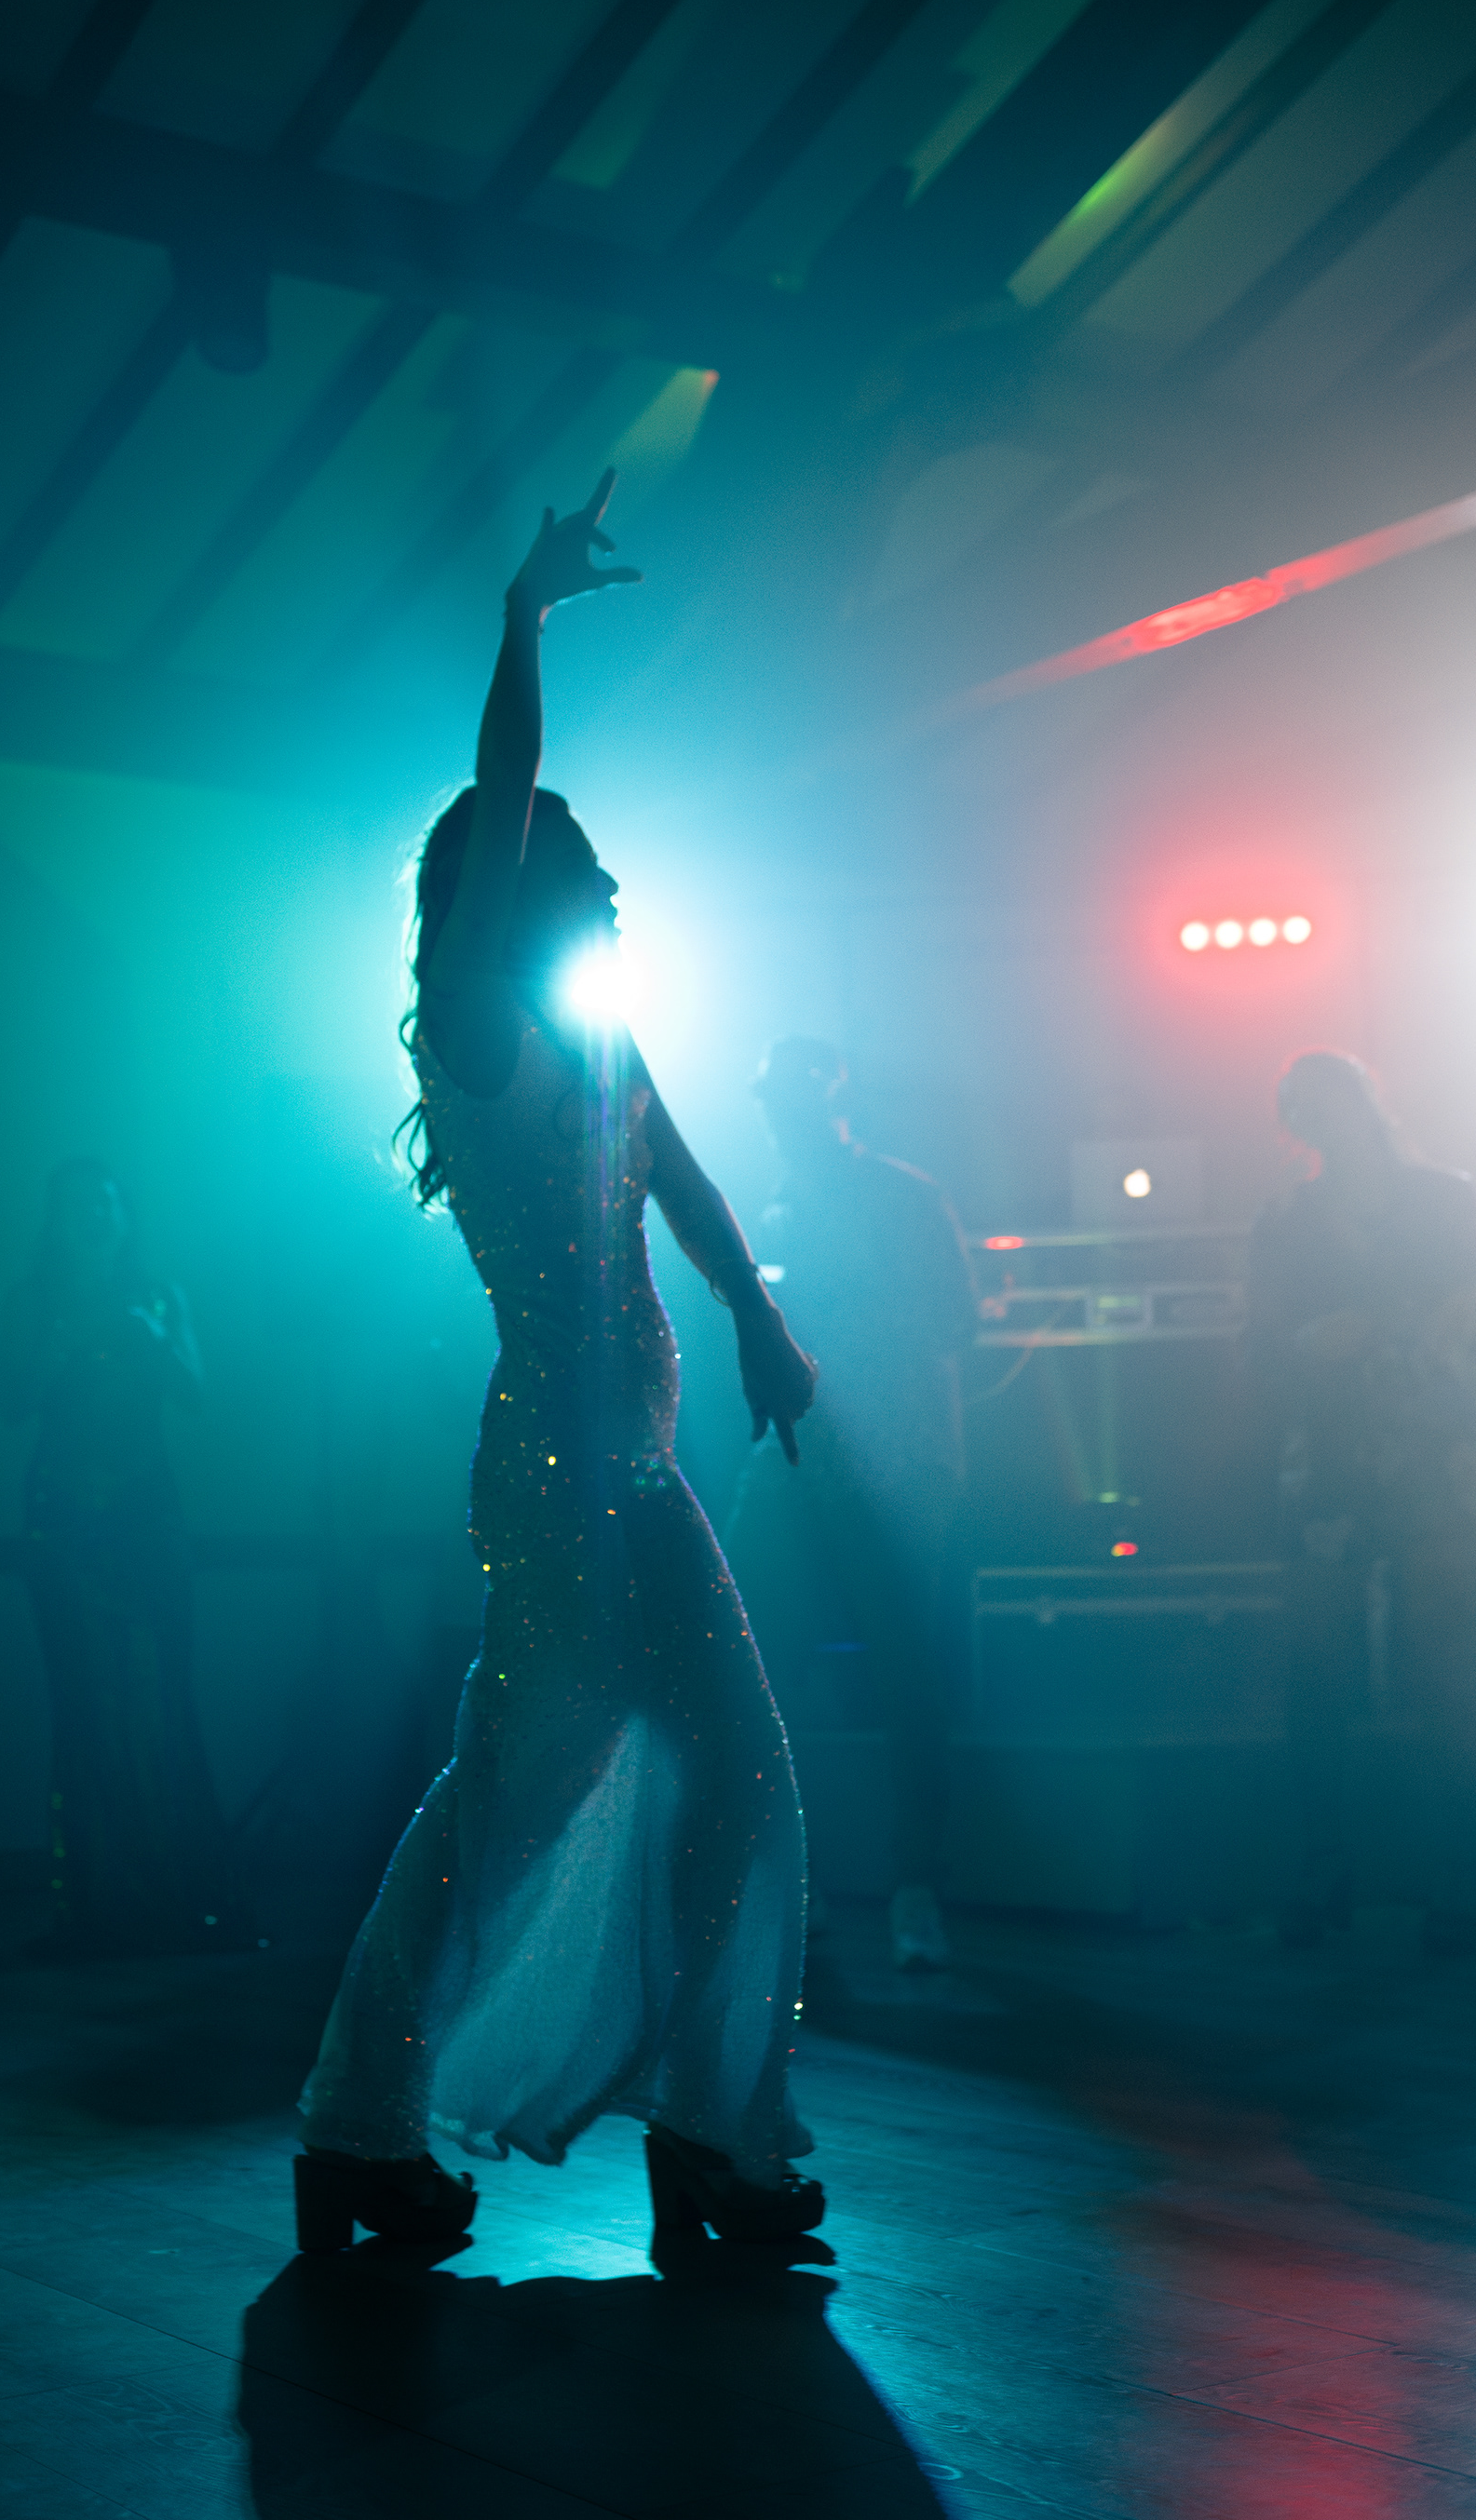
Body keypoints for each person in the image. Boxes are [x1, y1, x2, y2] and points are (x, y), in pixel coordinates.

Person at [294, 474, 823, 2253]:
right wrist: (524, 621)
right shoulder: (479, 1036)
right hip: (563, 1476)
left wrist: (760, 1320)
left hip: (629, 1467)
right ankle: (402, 2129)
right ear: (507, 890)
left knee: (658, 1787)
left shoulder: (597, 1049)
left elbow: (688, 1185)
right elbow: (508, 790)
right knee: (566, 1804)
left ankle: (686, 2139)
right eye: (574, 862)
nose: (608, 881)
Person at [1249, 1052, 1476, 1953]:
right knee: (1318, 1675)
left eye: (1333, 1104)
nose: (1326, 1123)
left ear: (1368, 1106)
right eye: (1307, 1110)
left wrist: (1463, 1318)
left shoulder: (1444, 1199)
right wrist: (1308, 1343)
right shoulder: (1287, 1220)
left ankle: (1458, 1885)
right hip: (1331, 1461)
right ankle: (1326, 1873)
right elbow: (1258, 1346)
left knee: (1448, 1674)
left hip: (1435, 1458)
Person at [723, 1038, 976, 1969]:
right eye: (768, 1102)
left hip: (893, 1461)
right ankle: (797, 1880)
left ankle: (915, 1890)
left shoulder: (901, 1196)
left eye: (785, 1101)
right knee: (747, 1653)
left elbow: (956, 1320)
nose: (774, 1118)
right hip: (802, 1454)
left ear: (828, 1098)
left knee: (904, 1666)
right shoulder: (779, 1205)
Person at [0, 1158, 237, 1955]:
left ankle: (181, 1897)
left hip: (145, 1512)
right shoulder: (32, 1301)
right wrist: (63, 1340)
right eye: (76, 1206)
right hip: (65, 1514)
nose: (93, 1217)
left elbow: (198, 1395)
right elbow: (10, 1402)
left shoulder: (160, 1296)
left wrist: (156, 1339)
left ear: (124, 1216)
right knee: (84, 1698)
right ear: (55, 1221)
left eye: (104, 1203)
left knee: (163, 1692)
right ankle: (93, 1906)